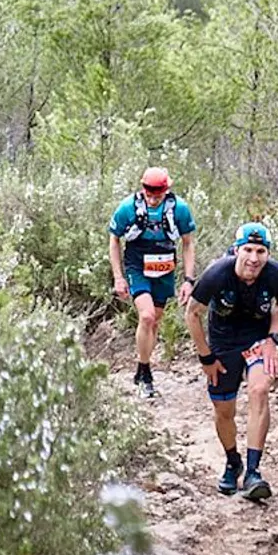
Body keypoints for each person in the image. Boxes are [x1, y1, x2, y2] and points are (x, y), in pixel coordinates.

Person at [187, 222, 278, 500]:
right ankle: (233, 461)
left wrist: (274, 339)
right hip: (222, 344)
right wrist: (205, 357)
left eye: (261, 251)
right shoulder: (217, 273)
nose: (254, 258)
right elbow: (192, 313)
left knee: (259, 389)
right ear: (236, 250)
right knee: (224, 410)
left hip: (257, 339)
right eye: (248, 250)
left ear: (268, 253)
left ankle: (254, 473)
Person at [109, 166, 197, 399]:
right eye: (149, 191)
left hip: (164, 265)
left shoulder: (180, 209)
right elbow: (114, 240)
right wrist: (118, 277)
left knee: (155, 321)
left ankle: (142, 365)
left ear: (167, 189)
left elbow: (188, 243)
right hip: (137, 264)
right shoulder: (128, 208)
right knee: (146, 316)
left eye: (158, 192)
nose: (153, 196)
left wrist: (189, 279)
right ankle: (145, 372)